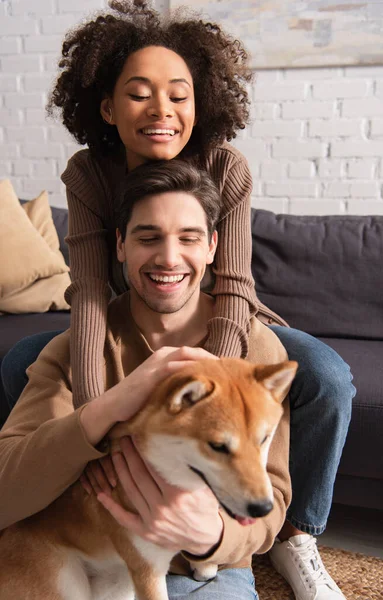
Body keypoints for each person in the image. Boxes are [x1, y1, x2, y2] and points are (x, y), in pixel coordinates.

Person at [0, 2, 355, 598]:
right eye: (139, 94)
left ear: (201, 102)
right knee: (28, 360)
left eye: (178, 94)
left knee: (325, 374)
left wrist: (215, 380)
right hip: (116, 306)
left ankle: (299, 536)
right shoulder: (89, 173)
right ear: (108, 107)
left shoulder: (225, 165)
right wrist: (101, 419)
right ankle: (56, 498)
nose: (161, 110)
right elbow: (87, 288)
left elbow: (236, 284)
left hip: (226, 312)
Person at [0, 160, 292, 599]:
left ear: (213, 246)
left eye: (189, 238)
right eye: (148, 237)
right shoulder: (71, 350)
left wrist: (211, 537)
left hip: (208, 564)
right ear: (120, 246)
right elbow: (6, 493)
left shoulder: (258, 352)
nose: (169, 257)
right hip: (83, 555)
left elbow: (273, 503)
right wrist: (108, 408)